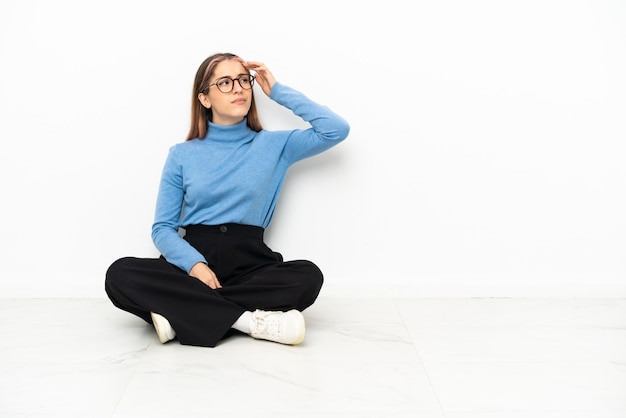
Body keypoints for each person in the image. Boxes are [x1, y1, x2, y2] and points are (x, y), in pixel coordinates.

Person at [105, 52, 350, 347]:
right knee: (119, 274)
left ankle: (180, 315)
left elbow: (336, 129)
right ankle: (249, 322)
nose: (238, 88)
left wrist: (276, 91)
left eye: (243, 80)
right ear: (204, 98)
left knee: (308, 276)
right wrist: (195, 265)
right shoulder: (181, 155)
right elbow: (162, 229)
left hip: (250, 262)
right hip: (194, 260)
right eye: (224, 82)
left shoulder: (276, 145)